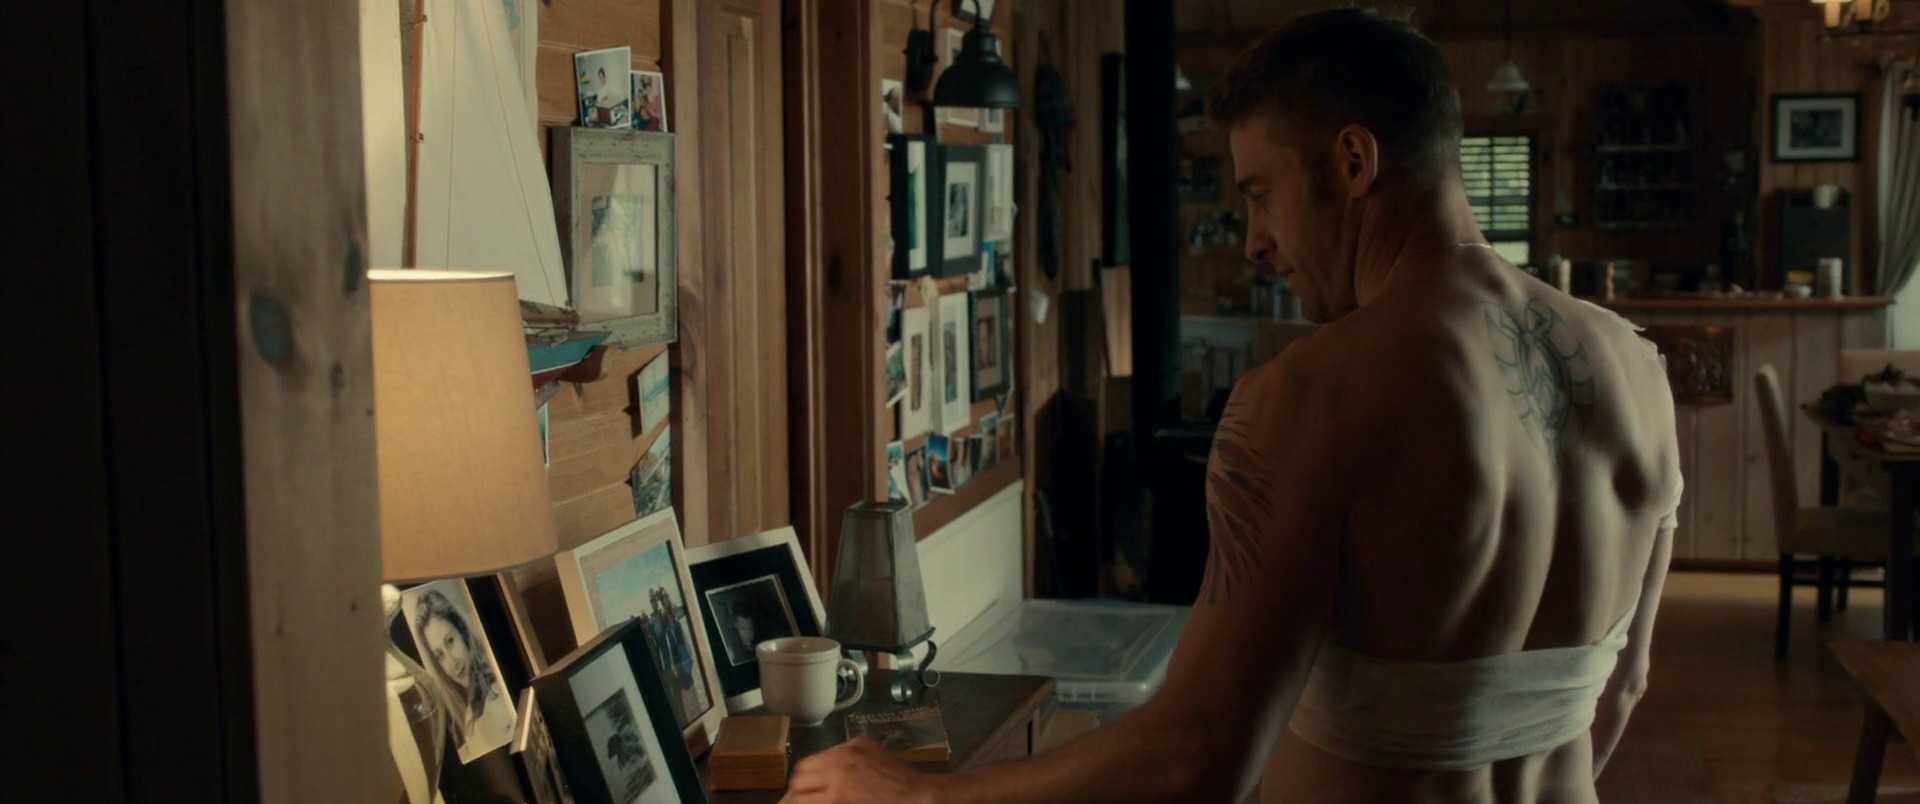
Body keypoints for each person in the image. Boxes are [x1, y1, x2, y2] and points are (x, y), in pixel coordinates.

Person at [783, 8, 1681, 804]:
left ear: (1355, 161)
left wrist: (920, 795)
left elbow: (1199, 758)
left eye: (1261, 194)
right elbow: (1623, 691)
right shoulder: (1635, 367)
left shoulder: (1311, 397)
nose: (1255, 241)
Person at [412, 588, 506, 752]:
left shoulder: (499, 690)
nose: (452, 662)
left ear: (461, 630)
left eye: (450, 641)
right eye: (440, 656)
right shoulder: (471, 714)